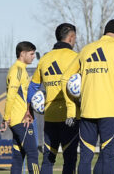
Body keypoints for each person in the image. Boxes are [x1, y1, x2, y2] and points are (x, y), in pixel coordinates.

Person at [61, 19, 114, 174]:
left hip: (87, 112)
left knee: (85, 157)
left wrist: (71, 109)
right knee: (108, 156)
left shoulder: (86, 49)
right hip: (111, 112)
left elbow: (65, 78)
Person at [30, 23, 79, 174]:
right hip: (69, 116)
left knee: (48, 158)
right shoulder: (75, 58)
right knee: (69, 159)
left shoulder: (44, 59)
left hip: (50, 116)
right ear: (71, 37)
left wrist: (29, 110)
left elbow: (32, 87)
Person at [2, 41, 39, 174]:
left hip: (19, 119)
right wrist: (6, 118)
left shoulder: (21, 69)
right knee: (33, 153)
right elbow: (11, 95)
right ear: (22, 54)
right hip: (20, 120)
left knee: (18, 157)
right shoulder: (17, 69)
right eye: (31, 53)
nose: (34, 56)